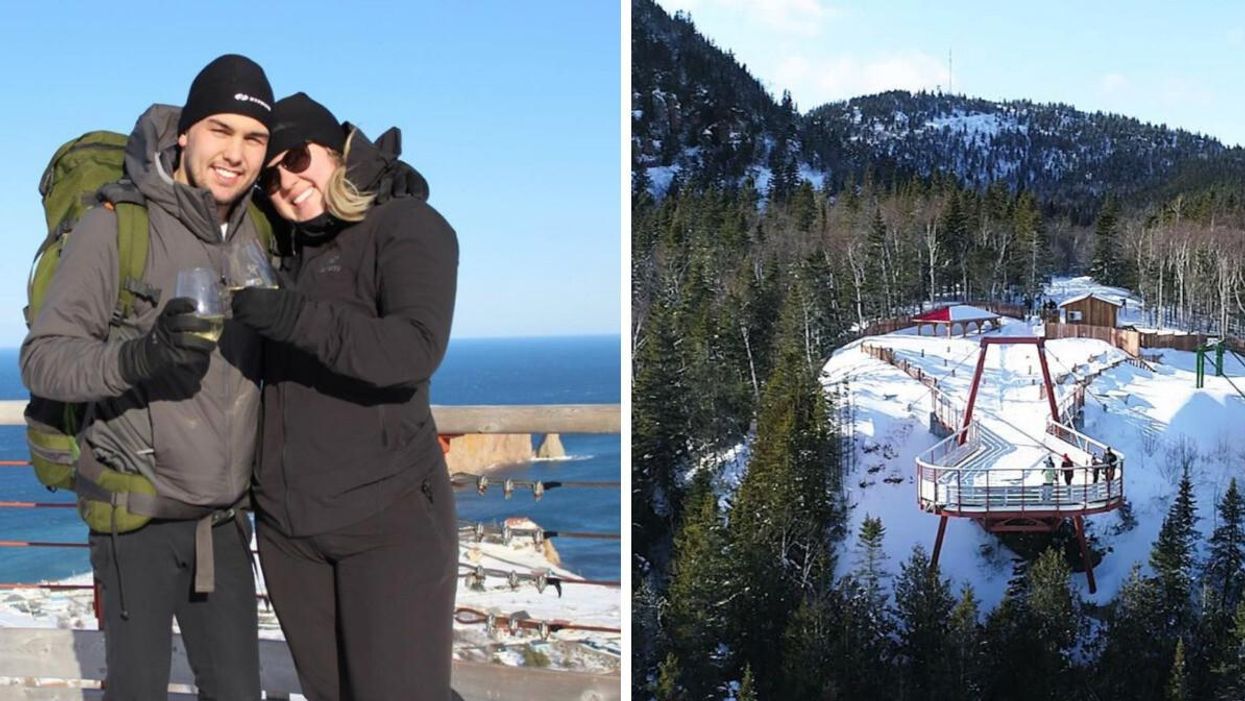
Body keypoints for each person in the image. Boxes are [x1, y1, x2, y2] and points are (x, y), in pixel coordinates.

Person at [20, 55, 273, 697]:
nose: (236, 153)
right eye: (220, 129)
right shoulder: (118, 225)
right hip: (135, 521)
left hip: (222, 524)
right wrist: (139, 356)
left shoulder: (258, 231)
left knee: (240, 692)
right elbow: (43, 357)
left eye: (254, 138)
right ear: (185, 133)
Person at [230, 93, 458, 700]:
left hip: (387, 522)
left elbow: (413, 349)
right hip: (288, 531)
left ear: (335, 151)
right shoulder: (281, 250)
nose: (287, 181)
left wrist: (292, 316)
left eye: (298, 158)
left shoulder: (405, 226)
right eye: (269, 177)